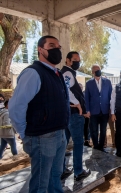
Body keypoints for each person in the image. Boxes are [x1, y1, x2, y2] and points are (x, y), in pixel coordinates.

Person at [9, 35, 68, 192]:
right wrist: (24, 133)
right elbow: (16, 107)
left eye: (59, 46)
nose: (57, 49)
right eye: (52, 45)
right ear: (40, 50)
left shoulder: (57, 74)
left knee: (55, 176)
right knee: (40, 183)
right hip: (42, 138)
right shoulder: (33, 73)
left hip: (60, 134)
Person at [61, 51, 91, 181]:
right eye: (74, 60)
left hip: (67, 115)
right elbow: (66, 89)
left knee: (63, 144)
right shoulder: (67, 73)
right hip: (74, 115)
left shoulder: (67, 72)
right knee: (78, 143)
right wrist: (78, 103)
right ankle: (78, 171)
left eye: (79, 60)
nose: (77, 62)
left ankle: (62, 170)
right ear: (67, 60)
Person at [85, 64, 112, 152]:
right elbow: (86, 98)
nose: (98, 71)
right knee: (94, 130)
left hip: (104, 110)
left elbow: (111, 96)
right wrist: (87, 110)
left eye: (99, 69)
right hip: (93, 111)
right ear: (92, 72)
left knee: (103, 130)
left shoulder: (107, 82)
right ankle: (96, 146)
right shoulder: (89, 83)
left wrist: (111, 109)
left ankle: (101, 147)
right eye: (96, 70)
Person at [79, 83, 92, 147]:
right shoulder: (76, 95)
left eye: (81, 87)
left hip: (86, 114)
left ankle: (86, 140)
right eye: (79, 87)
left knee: (86, 128)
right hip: (79, 115)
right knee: (80, 128)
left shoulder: (84, 94)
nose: (80, 88)